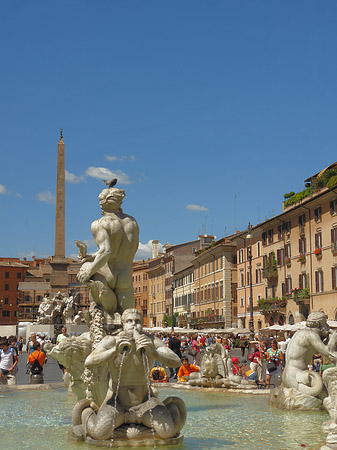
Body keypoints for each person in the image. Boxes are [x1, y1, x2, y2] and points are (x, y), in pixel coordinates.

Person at [79, 308, 186, 441]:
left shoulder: (151, 340)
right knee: (99, 433)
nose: (134, 325)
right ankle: (87, 412)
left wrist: (154, 352)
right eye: (129, 321)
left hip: (145, 403)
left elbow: (176, 362)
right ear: (123, 324)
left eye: (137, 321)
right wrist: (114, 350)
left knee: (167, 432)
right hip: (117, 403)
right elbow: (89, 361)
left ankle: (171, 408)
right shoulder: (111, 340)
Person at [76, 186, 139, 317]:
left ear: (104, 203)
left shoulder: (100, 223)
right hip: (125, 274)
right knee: (128, 320)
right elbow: (118, 248)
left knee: (99, 317)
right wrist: (91, 256)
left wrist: (89, 270)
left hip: (107, 273)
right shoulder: (132, 223)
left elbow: (106, 251)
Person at [282, 311, 337, 394]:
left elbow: (323, 348)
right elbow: (328, 352)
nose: (327, 326)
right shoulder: (311, 335)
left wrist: (329, 338)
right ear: (319, 324)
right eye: (325, 323)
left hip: (288, 375)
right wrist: (334, 336)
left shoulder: (302, 333)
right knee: (323, 395)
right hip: (296, 377)